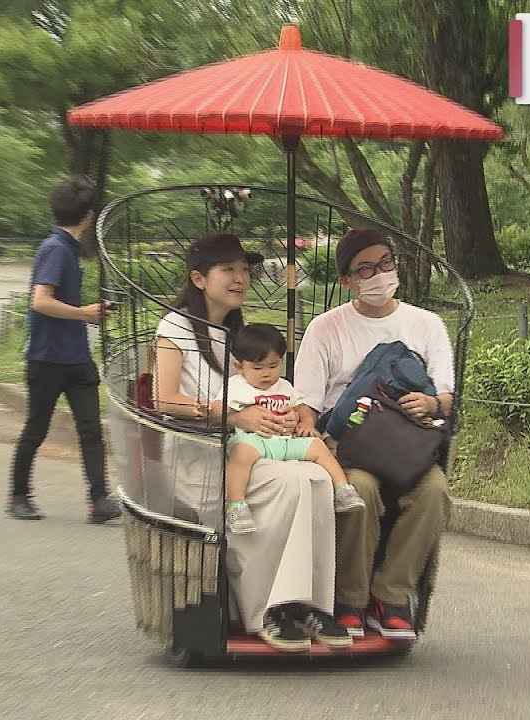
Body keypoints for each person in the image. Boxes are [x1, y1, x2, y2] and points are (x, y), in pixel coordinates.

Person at [154, 233, 349, 652]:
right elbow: (164, 399)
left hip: (254, 449)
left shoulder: (237, 333)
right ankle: (268, 609)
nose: (241, 278)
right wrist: (232, 415)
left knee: (316, 477)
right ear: (199, 278)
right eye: (229, 269)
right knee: (290, 482)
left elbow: (270, 389)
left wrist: (295, 416)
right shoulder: (176, 326)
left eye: (245, 269)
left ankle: (309, 605)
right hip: (202, 456)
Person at [295, 227, 454, 641]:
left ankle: (393, 595)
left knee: (434, 489)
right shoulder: (325, 329)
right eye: (365, 269)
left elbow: (446, 396)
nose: (379, 275)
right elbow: (307, 409)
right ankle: (351, 600)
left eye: (385, 264)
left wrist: (431, 404)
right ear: (347, 280)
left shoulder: (426, 324)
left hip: (407, 445)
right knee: (359, 490)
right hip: (349, 448)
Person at [6, 176, 121, 525]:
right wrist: (84, 313)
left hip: (75, 357)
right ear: (87, 216)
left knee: (90, 428)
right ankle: (18, 496)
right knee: (36, 429)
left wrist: (87, 312)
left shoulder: (65, 248)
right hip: (46, 357)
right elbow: (40, 302)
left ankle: (99, 499)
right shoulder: (56, 249)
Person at [214, 323, 364, 534]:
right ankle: (236, 505)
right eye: (258, 368)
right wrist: (237, 416)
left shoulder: (284, 386)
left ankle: (342, 489)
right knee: (240, 454)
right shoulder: (237, 386)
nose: (266, 373)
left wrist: (307, 424)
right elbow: (216, 409)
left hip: (285, 441)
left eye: (273, 365)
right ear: (240, 366)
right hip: (255, 441)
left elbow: (301, 406)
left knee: (317, 446)